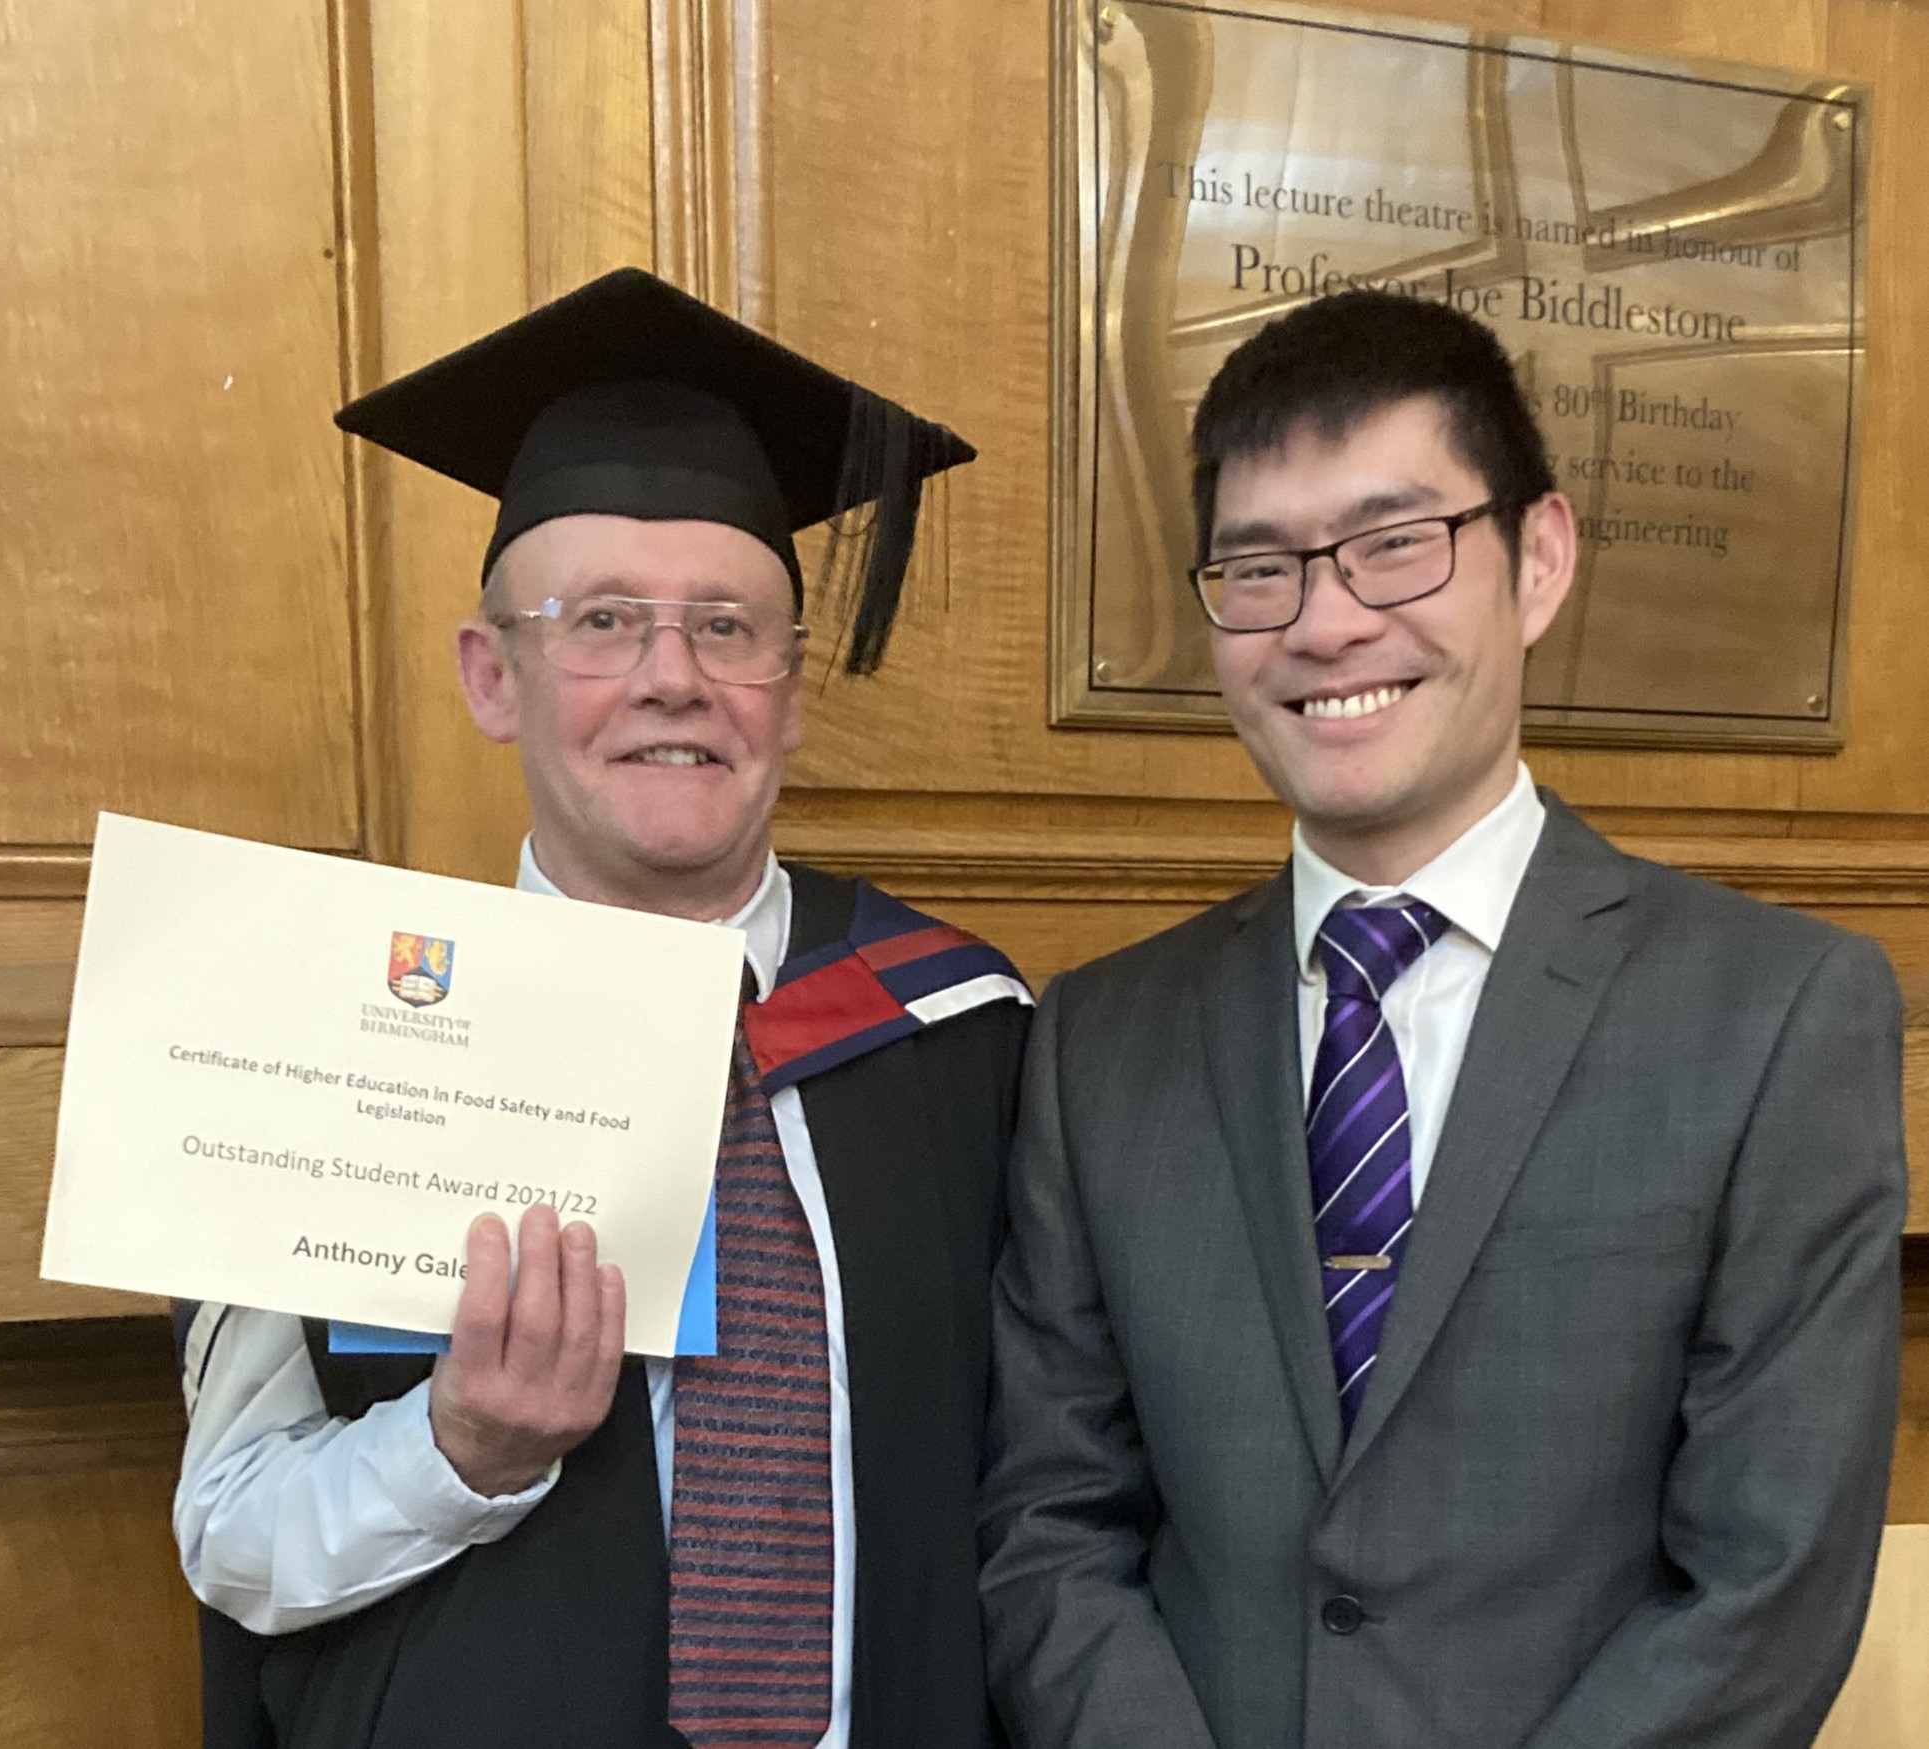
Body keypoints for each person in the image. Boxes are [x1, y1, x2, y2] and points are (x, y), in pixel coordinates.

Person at [979, 289, 1907, 1749]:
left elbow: (1767, 1579)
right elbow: (1048, 1518)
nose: (1327, 620)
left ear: (1536, 559)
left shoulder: (1775, 1015)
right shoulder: (1099, 1040)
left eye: (1396, 542)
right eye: (1259, 566)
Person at [173, 268, 1032, 1749]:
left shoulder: (966, 1034)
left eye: (728, 626)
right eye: (602, 620)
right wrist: (460, 1449)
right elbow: (233, 1537)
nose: (671, 677)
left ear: (791, 687)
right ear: (489, 676)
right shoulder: (333, 1043)